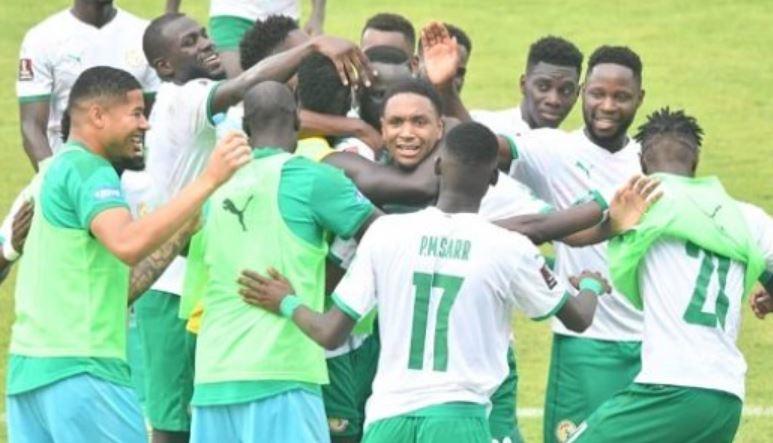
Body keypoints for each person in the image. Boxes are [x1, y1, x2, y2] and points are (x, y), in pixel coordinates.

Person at [238, 122, 612, 443]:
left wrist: (286, 300)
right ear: (494, 178)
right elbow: (578, 316)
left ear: (437, 166)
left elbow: (329, 332)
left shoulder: (385, 233)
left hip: (387, 420)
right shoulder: (509, 248)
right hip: (457, 420)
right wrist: (592, 285)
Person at [6, 66, 250, 442]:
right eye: (136, 113)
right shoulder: (90, 170)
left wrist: (182, 227)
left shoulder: (50, 175)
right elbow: (128, 244)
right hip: (83, 373)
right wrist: (209, 179)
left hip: (30, 376)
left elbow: (120, 288)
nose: (145, 125)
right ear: (97, 116)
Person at [181, 81, 381, 443]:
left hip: (213, 373)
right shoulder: (313, 178)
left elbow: (189, 255)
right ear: (297, 120)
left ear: (245, 129)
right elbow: (386, 237)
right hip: (281, 370)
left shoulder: (212, 187)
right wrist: (337, 282)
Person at [569, 108, 773, 443]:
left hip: (671, 388)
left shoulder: (642, 198)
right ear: (695, 162)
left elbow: (566, 230)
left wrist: (612, 225)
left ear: (641, 162)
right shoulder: (745, 216)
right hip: (726, 398)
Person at [16, 0, 160, 170]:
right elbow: (32, 127)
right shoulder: (42, 39)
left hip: (131, 175)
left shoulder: (143, 34)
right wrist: (56, 181)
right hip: (71, 170)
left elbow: (156, 119)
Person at [166, 0, 326, 77]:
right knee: (236, 88)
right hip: (232, 12)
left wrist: (317, 16)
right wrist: (171, 13)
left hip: (284, 14)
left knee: (291, 91)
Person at [471, 36, 583, 138]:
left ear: (577, 94)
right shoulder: (484, 125)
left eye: (566, 91)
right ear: (523, 84)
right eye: (543, 87)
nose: (553, 100)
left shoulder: (568, 149)